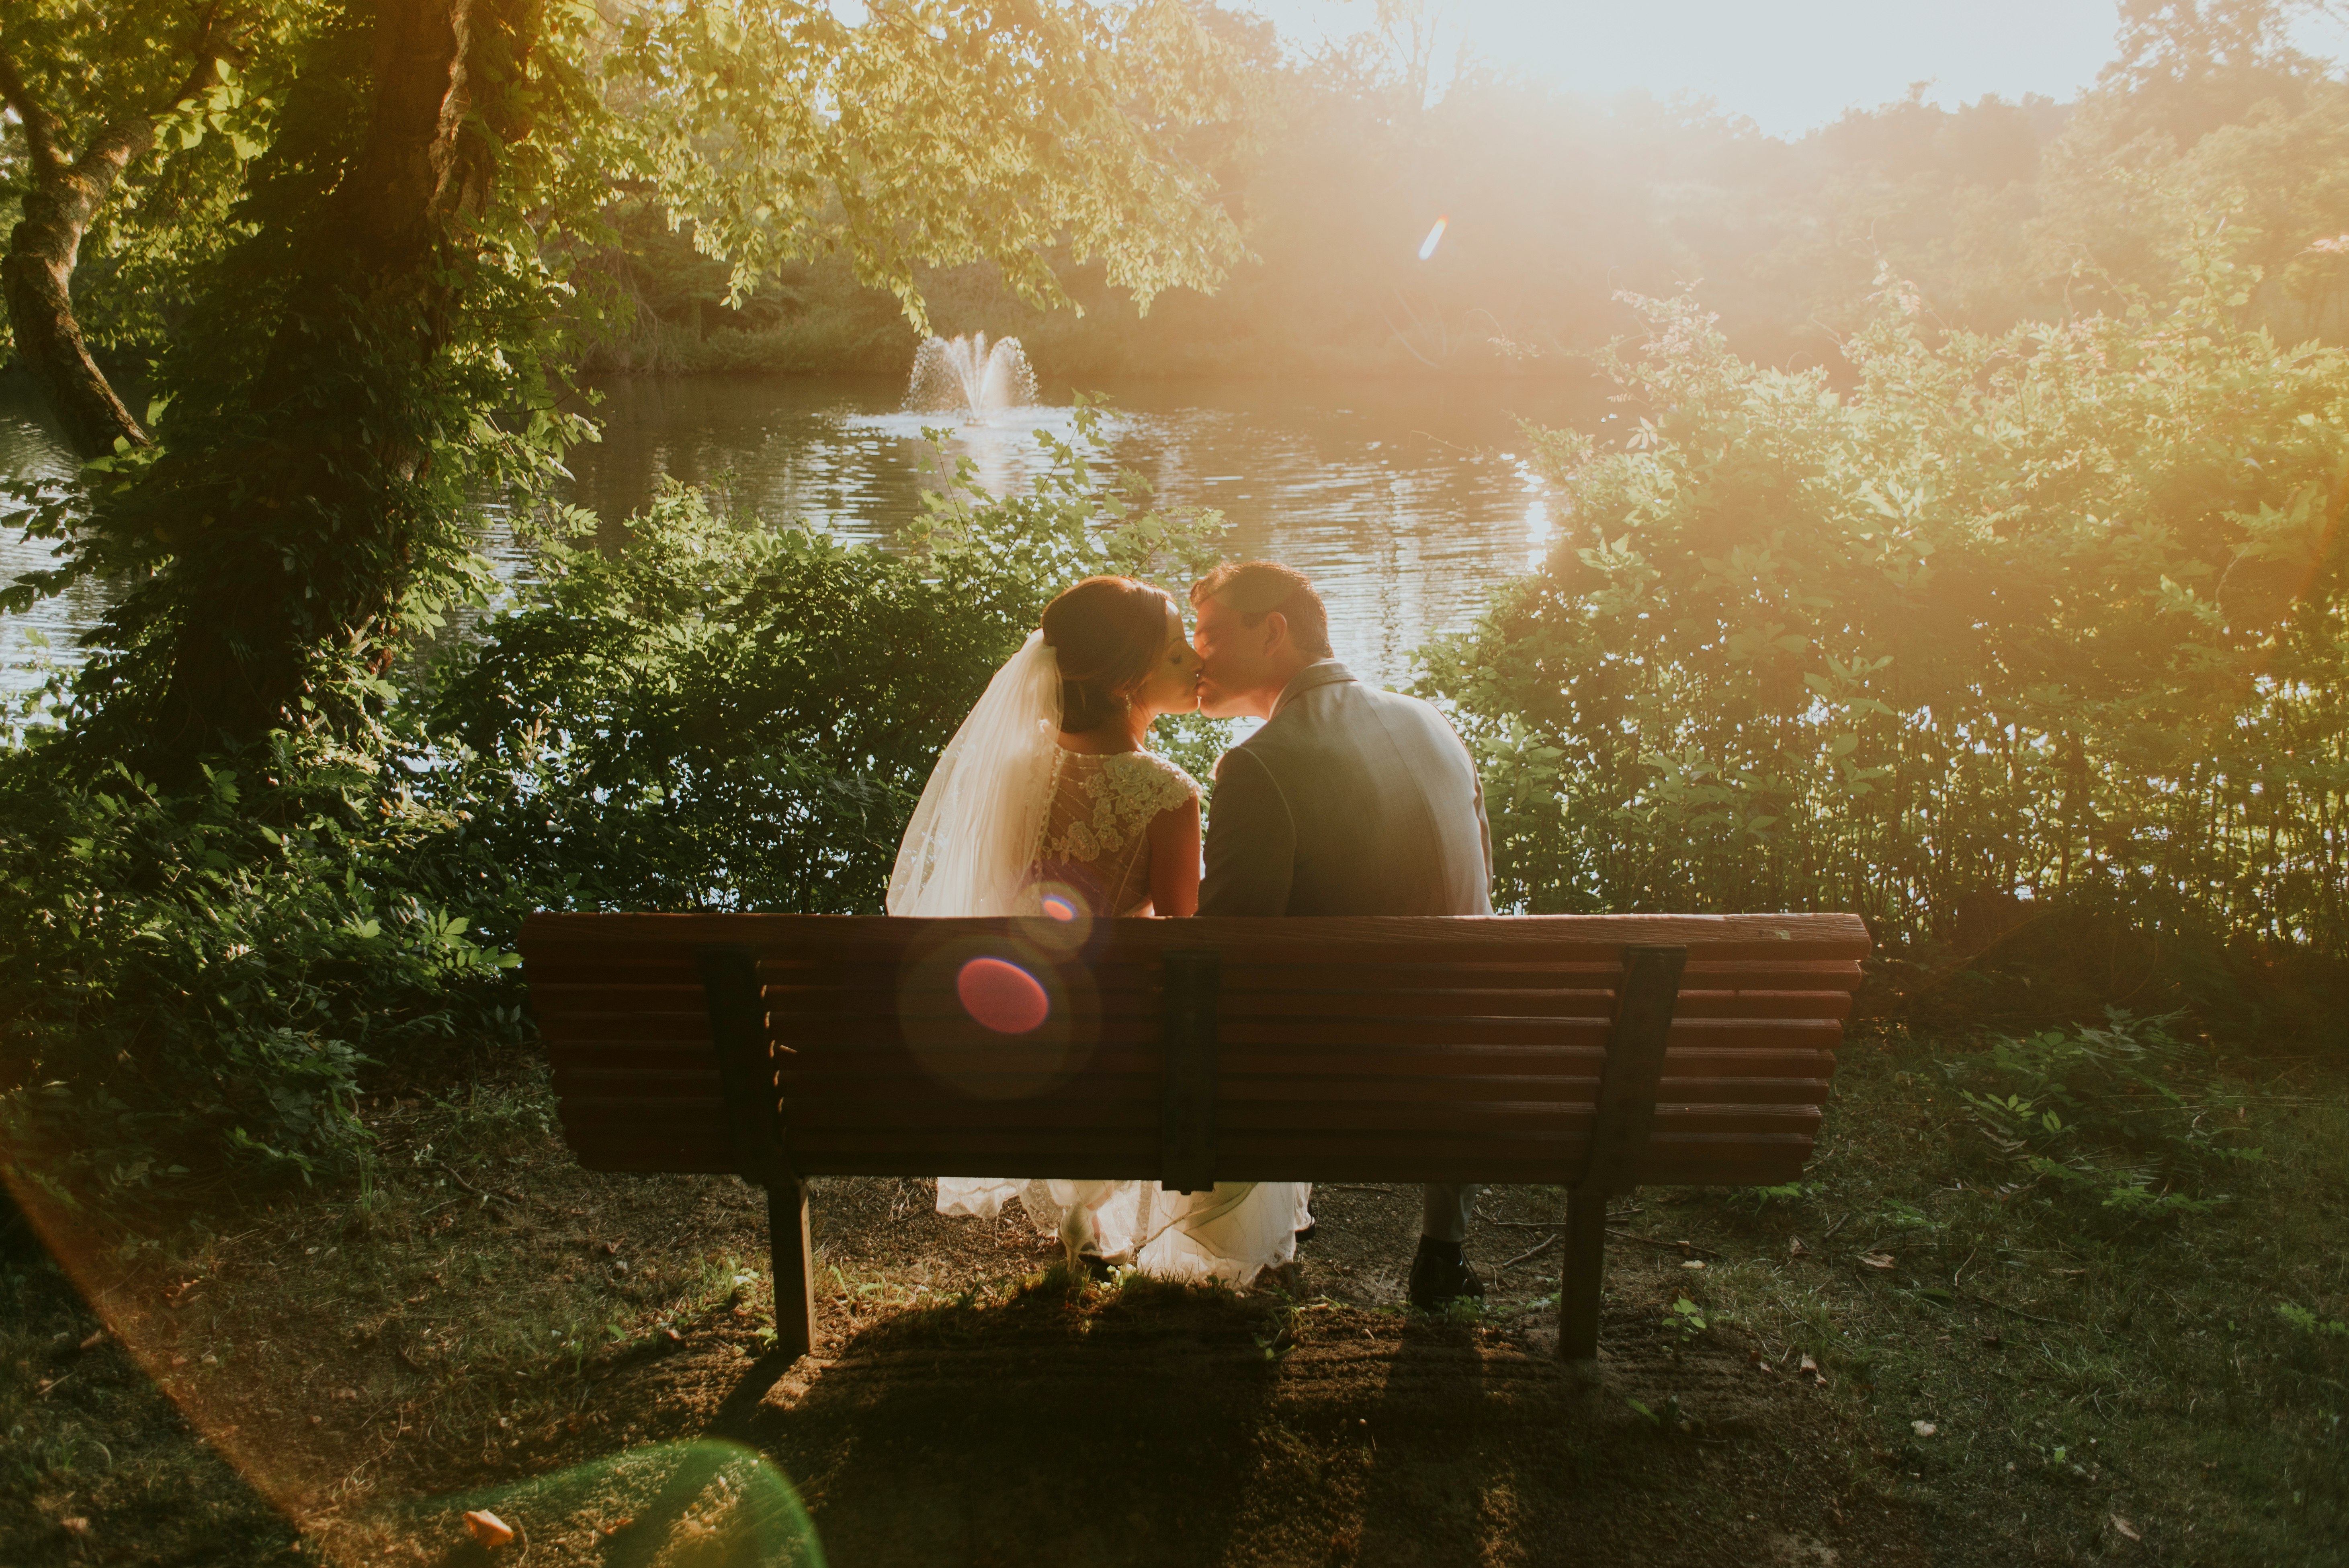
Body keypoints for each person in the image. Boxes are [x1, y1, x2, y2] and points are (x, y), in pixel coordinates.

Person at [887, 575, 1311, 1286]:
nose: (1196, 664)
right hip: (1119, 1051)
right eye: (1178, 656)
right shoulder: (1168, 793)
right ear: (1124, 681)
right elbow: (1185, 940)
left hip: (1018, 1036)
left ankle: (1083, 1224)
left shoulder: (1012, 769)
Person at [1190, 560, 1496, 1309]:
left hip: (1347, 1073)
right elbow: (1474, 883)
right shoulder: (1432, 720)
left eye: (1209, 634)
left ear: (1273, 632)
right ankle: (1442, 1248)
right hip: (1472, 1063)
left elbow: (1218, 955)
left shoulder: (1258, 763)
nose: (1196, 655)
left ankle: (1234, 1239)